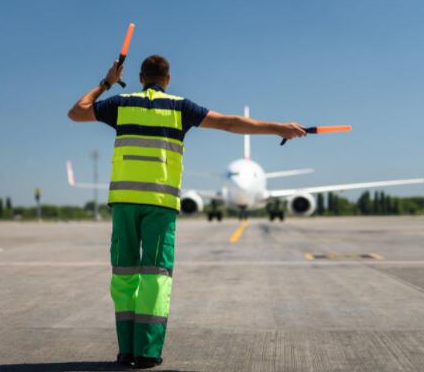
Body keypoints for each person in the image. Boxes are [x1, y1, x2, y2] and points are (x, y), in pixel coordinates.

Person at [68, 55, 305, 369]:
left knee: (124, 274)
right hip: (160, 205)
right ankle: (147, 352)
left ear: (140, 77)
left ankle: (126, 351)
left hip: (124, 202)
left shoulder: (120, 104)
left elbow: (76, 112)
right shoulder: (180, 107)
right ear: (168, 78)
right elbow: (230, 122)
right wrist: (279, 128)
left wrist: (106, 82)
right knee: (155, 278)